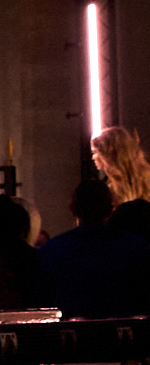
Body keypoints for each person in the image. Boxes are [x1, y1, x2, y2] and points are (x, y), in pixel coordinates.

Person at [38, 178, 150, 318]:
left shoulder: (52, 250)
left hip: (70, 332)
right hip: (125, 332)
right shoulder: (136, 247)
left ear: (72, 209)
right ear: (111, 209)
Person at [93, 125, 150, 242]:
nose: (93, 157)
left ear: (107, 154)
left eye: (95, 152)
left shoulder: (109, 192)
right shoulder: (146, 179)